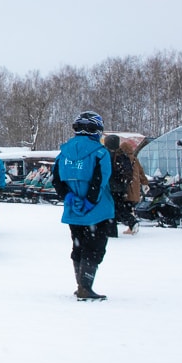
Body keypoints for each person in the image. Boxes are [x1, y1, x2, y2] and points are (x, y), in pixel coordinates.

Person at [52, 111, 114, 301]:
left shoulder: (63, 153)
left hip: (73, 211)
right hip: (97, 211)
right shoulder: (100, 153)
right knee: (94, 248)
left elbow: (56, 179)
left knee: (78, 246)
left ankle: (81, 284)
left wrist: (69, 197)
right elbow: (99, 180)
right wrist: (90, 201)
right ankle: (86, 287)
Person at [103, 135, 139, 235]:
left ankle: (114, 229)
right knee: (117, 207)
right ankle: (127, 223)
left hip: (110, 187)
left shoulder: (107, 154)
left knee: (112, 209)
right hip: (121, 187)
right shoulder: (123, 156)